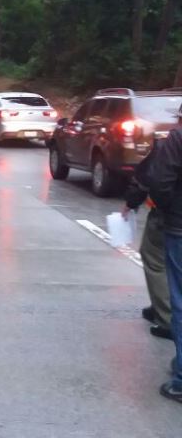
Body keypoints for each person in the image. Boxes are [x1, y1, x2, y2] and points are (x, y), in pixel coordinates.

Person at [136, 107, 182, 404]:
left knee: (180, 299)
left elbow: (160, 182)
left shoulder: (177, 140)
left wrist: (165, 213)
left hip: (178, 228)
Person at [124, 154, 173, 340]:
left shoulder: (170, 144)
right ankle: (162, 303)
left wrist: (131, 202)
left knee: (154, 259)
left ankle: (167, 317)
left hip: (169, 216)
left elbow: (147, 178)